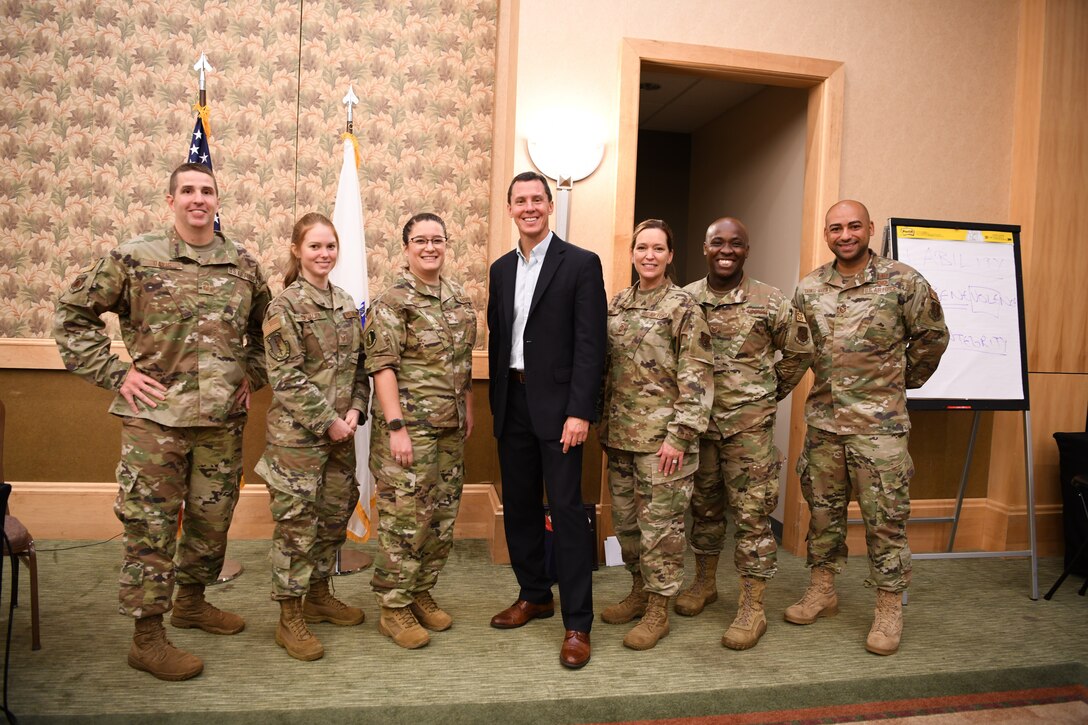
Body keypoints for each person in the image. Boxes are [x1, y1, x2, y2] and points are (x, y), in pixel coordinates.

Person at [53, 162, 270, 681]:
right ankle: (147, 637)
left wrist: (253, 372)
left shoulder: (241, 263)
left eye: (207, 191)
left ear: (218, 200)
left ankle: (192, 603)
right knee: (150, 527)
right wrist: (115, 373)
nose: (199, 198)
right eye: (188, 190)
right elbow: (72, 315)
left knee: (211, 521)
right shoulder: (134, 256)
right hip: (155, 422)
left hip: (221, 420)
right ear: (170, 199)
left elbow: (269, 330)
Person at [788, 199, 949, 655]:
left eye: (854, 226)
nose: (845, 235)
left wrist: (901, 381)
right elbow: (800, 351)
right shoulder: (809, 288)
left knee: (885, 521)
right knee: (822, 514)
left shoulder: (903, 281)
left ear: (870, 229)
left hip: (880, 429)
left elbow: (932, 338)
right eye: (836, 228)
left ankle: (888, 608)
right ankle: (823, 590)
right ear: (826, 234)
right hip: (823, 424)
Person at [486, 171, 607, 669]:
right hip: (511, 403)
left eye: (538, 199)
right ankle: (534, 593)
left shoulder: (580, 263)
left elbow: (591, 344)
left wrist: (580, 410)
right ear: (509, 208)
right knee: (518, 508)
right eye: (521, 200)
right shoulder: (499, 269)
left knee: (567, 512)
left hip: (562, 414)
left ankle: (577, 623)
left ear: (550, 205)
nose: (530, 207)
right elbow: (500, 337)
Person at [676, 217, 814, 650]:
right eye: (718, 242)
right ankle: (704, 583)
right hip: (699, 428)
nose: (726, 250)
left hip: (747, 431)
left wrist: (767, 393)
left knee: (753, 518)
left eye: (736, 244)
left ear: (747, 250)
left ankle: (753, 607)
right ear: (704, 247)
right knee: (704, 508)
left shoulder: (770, 301)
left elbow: (800, 349)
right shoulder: (685, 300)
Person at [255, 213, 370, 662]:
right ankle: (289, 616)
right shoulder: (283, 308)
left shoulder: (344, 302)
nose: (324, 254)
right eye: (315, 247)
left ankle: (319, 595)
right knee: (296, 529)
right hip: (298, 443)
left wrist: (357, 410)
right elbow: (285, 378)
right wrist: (330, 422)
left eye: (330, 247)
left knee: (334, 515)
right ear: (296, 250)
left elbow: (362, 367)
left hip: (342, 436)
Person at [363, 212, 477, 649]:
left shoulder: (457, 298)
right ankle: (393, 607)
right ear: (406, 247)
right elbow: (382, 366)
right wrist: (396, 427)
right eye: (420, 240)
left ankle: (419, 591)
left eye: (438, 240)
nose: (430, 247)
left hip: (449, 428)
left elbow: (462, 362)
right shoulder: (393, 301)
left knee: (441, 517)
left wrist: (467, 406)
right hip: (410, 429)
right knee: (406, 519)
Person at [598, 219, 713, 651]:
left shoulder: (683, 307)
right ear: (632, 254)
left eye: (657, 248)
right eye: (641, 247)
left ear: (670, 256)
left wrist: (680, 437)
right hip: (622, 437)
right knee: (627, 526)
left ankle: (659, 610)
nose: (649, 255)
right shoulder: (617, 305)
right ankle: (639, 591)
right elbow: (606, 370)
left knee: (660, 530)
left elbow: (697, 375)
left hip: (664, 443)